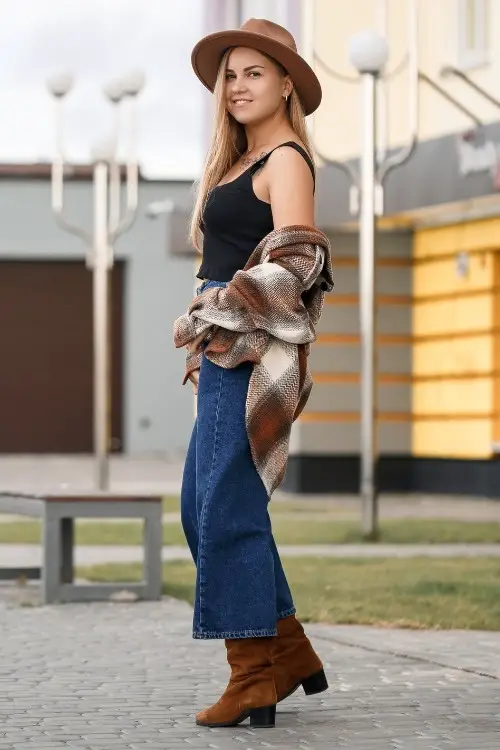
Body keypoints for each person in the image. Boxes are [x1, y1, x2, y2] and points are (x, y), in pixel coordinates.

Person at [173, 18, 334, 730]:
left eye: (254, 74)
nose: (237, 86)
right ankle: (288, 649)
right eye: (230, 75)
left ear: (286, 83)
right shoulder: (240, 161)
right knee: (197, 504)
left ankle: (252, 678)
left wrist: (220, 305)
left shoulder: (287, 159)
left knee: (226, 513)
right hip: (221, 354)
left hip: (248, 354)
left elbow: (298, 264)